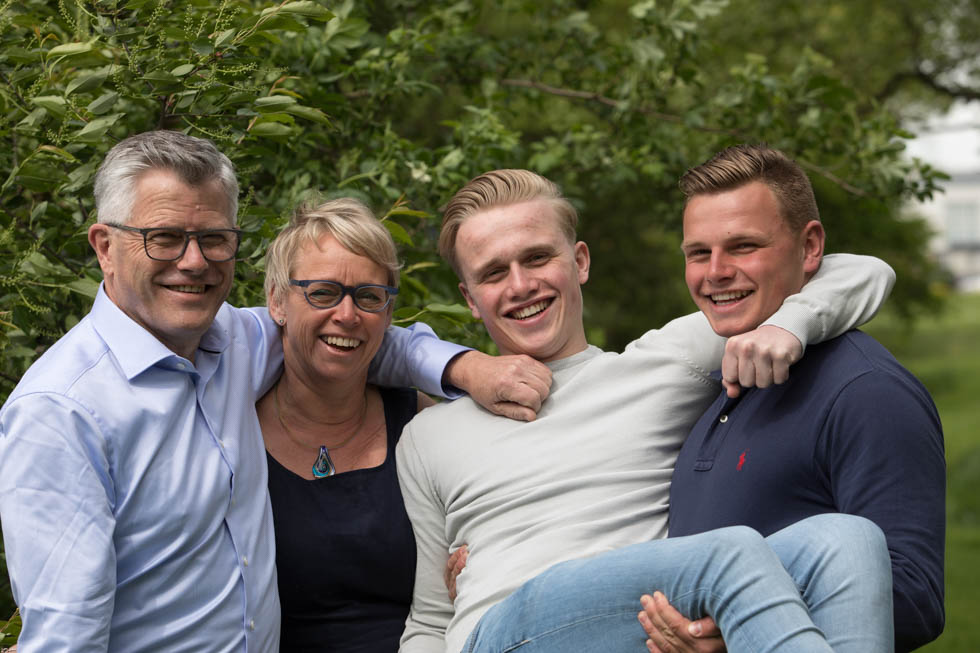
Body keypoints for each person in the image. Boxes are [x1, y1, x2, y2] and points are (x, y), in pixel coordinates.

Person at [0, 131, 551, 652]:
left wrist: (469, 369)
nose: (194, 261)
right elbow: (68, 633)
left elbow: (355, 339)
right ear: (105, 245)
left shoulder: (235, 341)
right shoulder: (61, 411)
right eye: (164, 237)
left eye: (214, 238)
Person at [396, 168, 896, 653]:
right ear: (469, 299)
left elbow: (862, 271)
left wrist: (788, 326)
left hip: (646, 619)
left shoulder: (664, 363)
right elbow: (430, 618)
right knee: (732, 552)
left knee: (848, 540)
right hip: (505, 630)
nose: (521, 285)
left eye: (538, 257)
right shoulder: (429, 435)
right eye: (493, 273)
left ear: (581, 262)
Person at [638, 144, 945, 653]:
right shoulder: (716, 382)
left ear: (809, 248)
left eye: (743, 246)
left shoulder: (867, 391)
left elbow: (916, 596)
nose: (715, 272)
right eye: (698, 253)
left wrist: (741, 624)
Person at [257, 198, 441, 651]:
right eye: (322, 292)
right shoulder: (231, 430)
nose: (347, 315)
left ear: (388, 314)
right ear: (278, 301)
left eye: (368, 297)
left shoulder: (422, 424)